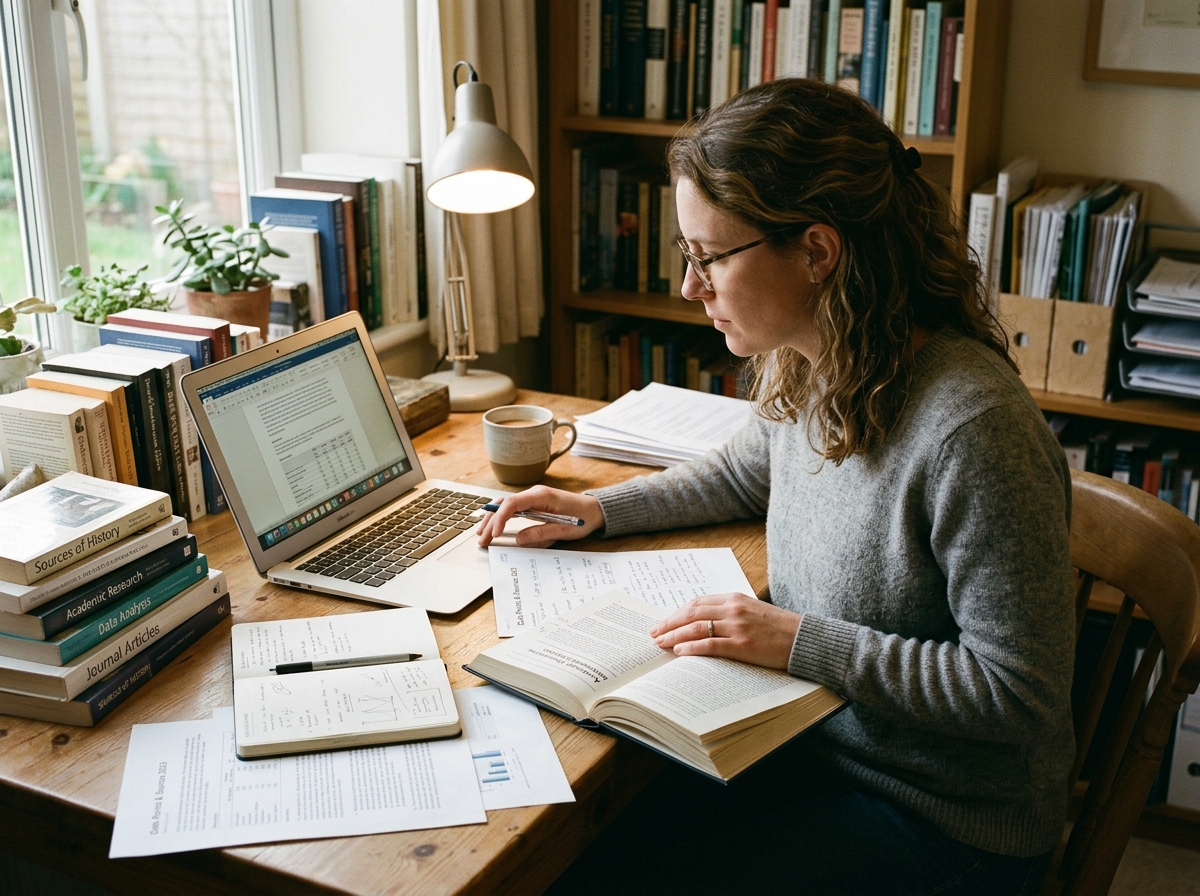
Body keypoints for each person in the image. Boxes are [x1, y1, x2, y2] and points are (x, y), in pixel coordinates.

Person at [478, 78, 1074, 896]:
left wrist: (795, 640)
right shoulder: (817, 358)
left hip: (946, 823)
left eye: (708, 257)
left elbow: (1016, 694)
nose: (691, 288)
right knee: (575, 851)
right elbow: (743, 469)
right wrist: (598, 511)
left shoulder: (973, 431)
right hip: (815, 743)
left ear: (818, 251)